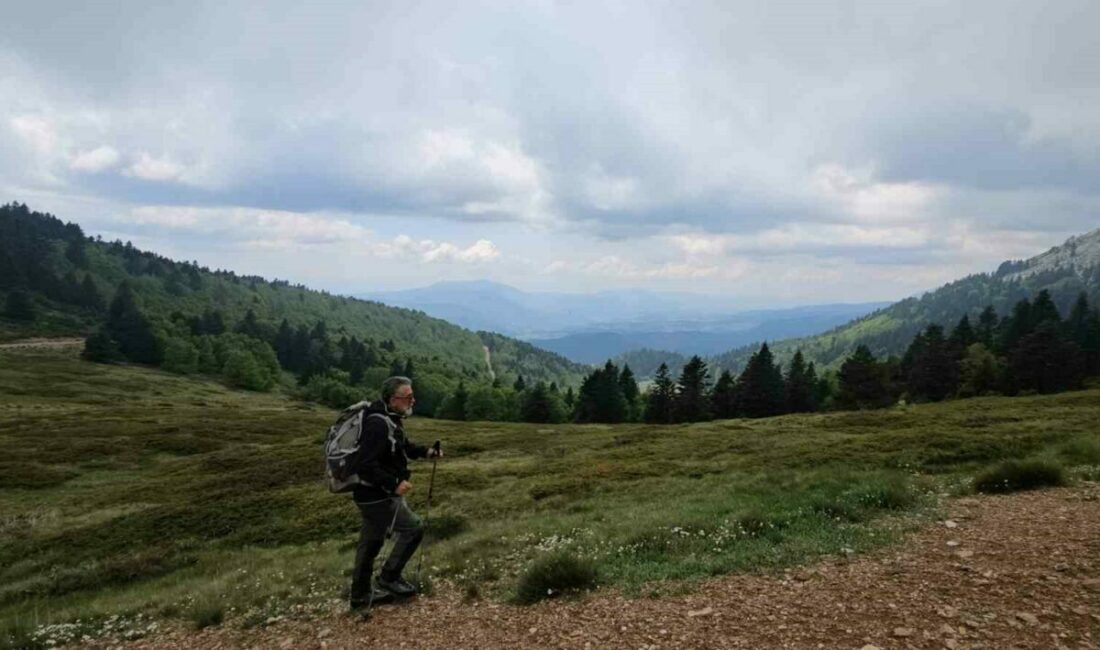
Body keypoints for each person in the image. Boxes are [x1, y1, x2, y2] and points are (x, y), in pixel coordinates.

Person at [349, 375, 442, 615]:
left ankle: (359, 595)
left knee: (370, 543)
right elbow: (365, 464)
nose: (413, 400)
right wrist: (393, 484)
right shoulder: (378, 424)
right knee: (413, 529)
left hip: (371, 494)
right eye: (408, 397)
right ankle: (389, 578)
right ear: (393, 399)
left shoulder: (391, 418)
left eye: (412, 396)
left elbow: (402, 447)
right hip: (377, 495)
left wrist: (427, 452)